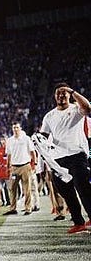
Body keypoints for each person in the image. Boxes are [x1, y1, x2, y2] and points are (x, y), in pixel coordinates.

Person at [38, 83, 91, 234]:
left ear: (69, 95)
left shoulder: (76, 109)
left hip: (77, 155)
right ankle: (78, 222)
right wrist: (38, 139)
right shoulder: (49, 116)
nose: (61, 95)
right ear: (55, 96)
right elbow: (44, 135)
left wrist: (73, 91)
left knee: (83, 188)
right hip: (58, 160)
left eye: (64, 93)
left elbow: (88, 108)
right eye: (58, 93)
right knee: (65, 191)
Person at [3, 122, 36, 216]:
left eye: (17, 127)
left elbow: (32, 152)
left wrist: (35, 163)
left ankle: (28, 208)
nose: (15, 129)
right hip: (14, 167)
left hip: (25, 166)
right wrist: (8, 167)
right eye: (14, 128)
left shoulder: (26, 139)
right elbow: (9, 155)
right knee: (12, 189)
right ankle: (13, 208)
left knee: (27, 188)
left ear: (20, 128)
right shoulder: (9, 140)